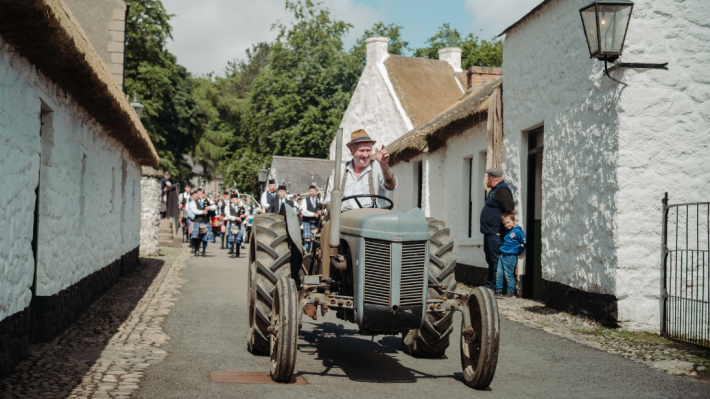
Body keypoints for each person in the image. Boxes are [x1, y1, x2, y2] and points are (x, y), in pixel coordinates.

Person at [324, 129, 397, 213]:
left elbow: (391, 186)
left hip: (373, 218)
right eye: (362, 150)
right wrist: (335, 213)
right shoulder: (339, 170)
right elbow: (328, 200)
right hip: (345, 219)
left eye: (368, 150)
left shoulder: (378, 167)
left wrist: (384, 166)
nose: (365, 155)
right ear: (352, 151)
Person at [480, 167, 515, 291]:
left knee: (495, 260)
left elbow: (509, 210)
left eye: (487, 178)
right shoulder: (494, 190)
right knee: (490, 259)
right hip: (489, 232)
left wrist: (506, 226)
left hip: (496, 232)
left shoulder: (502, 190)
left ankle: (496, 287)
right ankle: (490, 284)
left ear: (491, 178)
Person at [496, 211, 526, 298]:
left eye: (508, 222)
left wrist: (518, 251)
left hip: (510, 256)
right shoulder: (506, 231)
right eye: (505, 224)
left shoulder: (518, 231)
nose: (507, 225)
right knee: (499, 273)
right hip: (502, 254)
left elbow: (523, 242)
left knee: (508, 274)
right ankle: (498, 290)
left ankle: (511, 292)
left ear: (514, 220)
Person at [188, 189, 217, 256]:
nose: (199, 195)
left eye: (200, 193)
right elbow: (194, 210)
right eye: (198, 193)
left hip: (206, 221)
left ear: (203, 194)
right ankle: (197, 249)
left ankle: (204, 251)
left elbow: (215, 206)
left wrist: (209, 207)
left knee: (205, 238)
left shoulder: (208, 200)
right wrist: (202, 212)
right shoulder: (193, 202)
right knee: (196, 237)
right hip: (198, 221)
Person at [300, 184, 322, 250]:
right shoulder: (305, 200)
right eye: (311, 191)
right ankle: (307, 250)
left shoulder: (320, 198)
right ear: (309, 192)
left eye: (313, 191)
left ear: (316, 191)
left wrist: (322, 211)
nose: (312, 192)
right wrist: (313, 214)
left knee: (321, 237)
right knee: (308, 238)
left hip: (318, 221)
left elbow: (326, 208)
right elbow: (303, 211)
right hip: (307, 221)